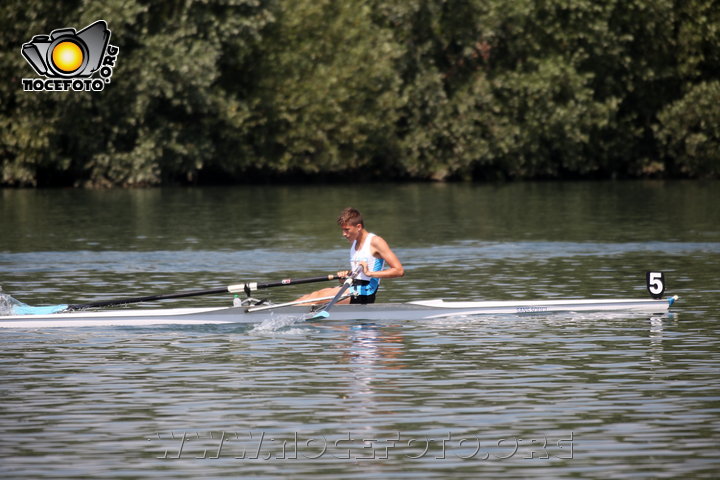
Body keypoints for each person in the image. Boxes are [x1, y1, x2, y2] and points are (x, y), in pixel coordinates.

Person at [296, 207, 404, 304]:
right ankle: (282, 310)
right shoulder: (354, 244)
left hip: (366, 292)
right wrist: (347, 276)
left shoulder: (375, 241)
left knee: (318, 298)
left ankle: (290, 315)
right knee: (313, 295)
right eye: (343, 230)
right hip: (353, 287)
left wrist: (369, 273)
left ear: (358, 227)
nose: (344, 234)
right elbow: (358, 274)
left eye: (347, 229)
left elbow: (399, 270)